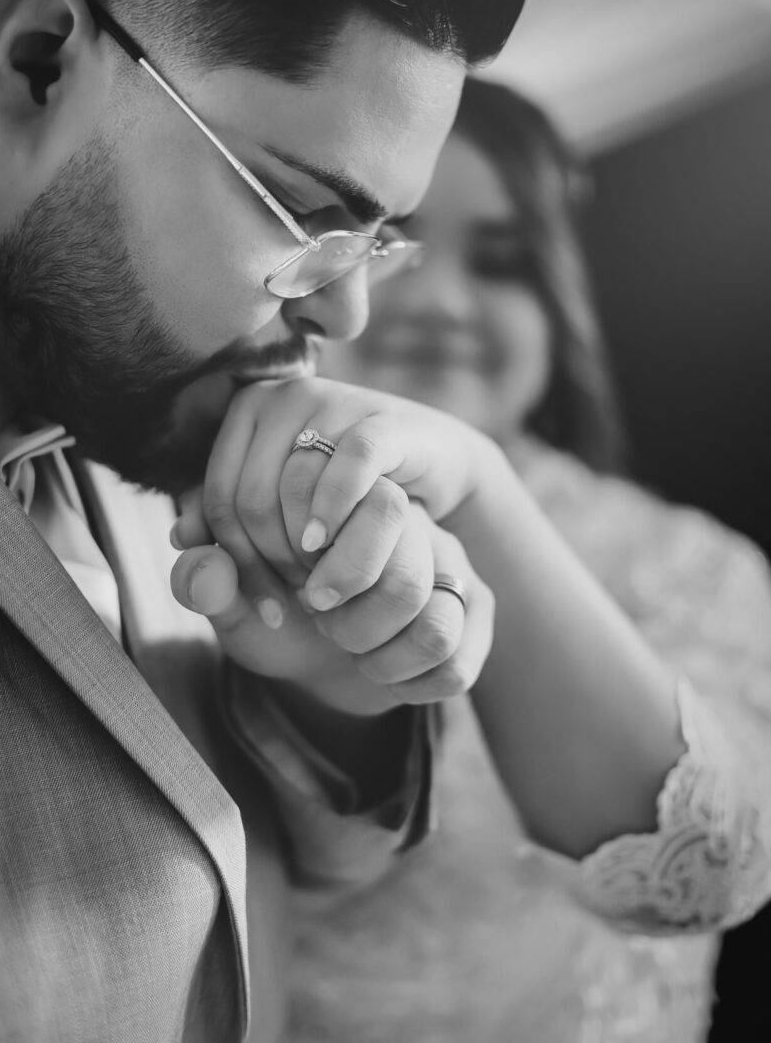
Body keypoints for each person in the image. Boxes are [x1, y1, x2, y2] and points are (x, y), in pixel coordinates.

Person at [0, 0, 528, 1041]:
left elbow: (261, 887)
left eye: (372, 242)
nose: (344, 318)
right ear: (36, 66)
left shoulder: (144, 412)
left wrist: (334, 693)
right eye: (301, 214)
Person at [259, 78, 771, 1041]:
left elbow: (704, 870)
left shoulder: (687, 564)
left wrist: (476, 486)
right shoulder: (207, 524)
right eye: (390, 244)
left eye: (501, 262)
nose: (445, 300)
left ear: (556, 301)